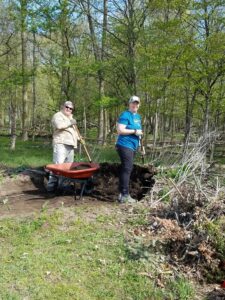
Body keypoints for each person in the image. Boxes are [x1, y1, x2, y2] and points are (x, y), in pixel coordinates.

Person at [46, 101, 80, 192]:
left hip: (70, 145)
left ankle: (64, 186)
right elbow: (59, 125)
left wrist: (79, 137)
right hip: (61, 143)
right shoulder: (58, 115)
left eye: (71, 108)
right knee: (58, 165)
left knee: (68, 167)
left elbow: (74, 131)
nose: (68, 109)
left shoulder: (71, 118)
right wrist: (70, 122)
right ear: (63, 107)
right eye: (67, 107)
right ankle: (51, 186)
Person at [116, 95, 143, 203]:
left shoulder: (138, 117)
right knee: (127, 168)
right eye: (133, 103)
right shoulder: (125, 115)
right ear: (129, 104)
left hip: (133, 146)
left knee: (127, 168)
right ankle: (124, 195)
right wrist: (134, 131)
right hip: (124, 144)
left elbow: (139, 132)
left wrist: (140, 145)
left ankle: (122, 194)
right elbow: (120, 130)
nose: (134, 105)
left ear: (138, 105)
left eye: (136, 103)